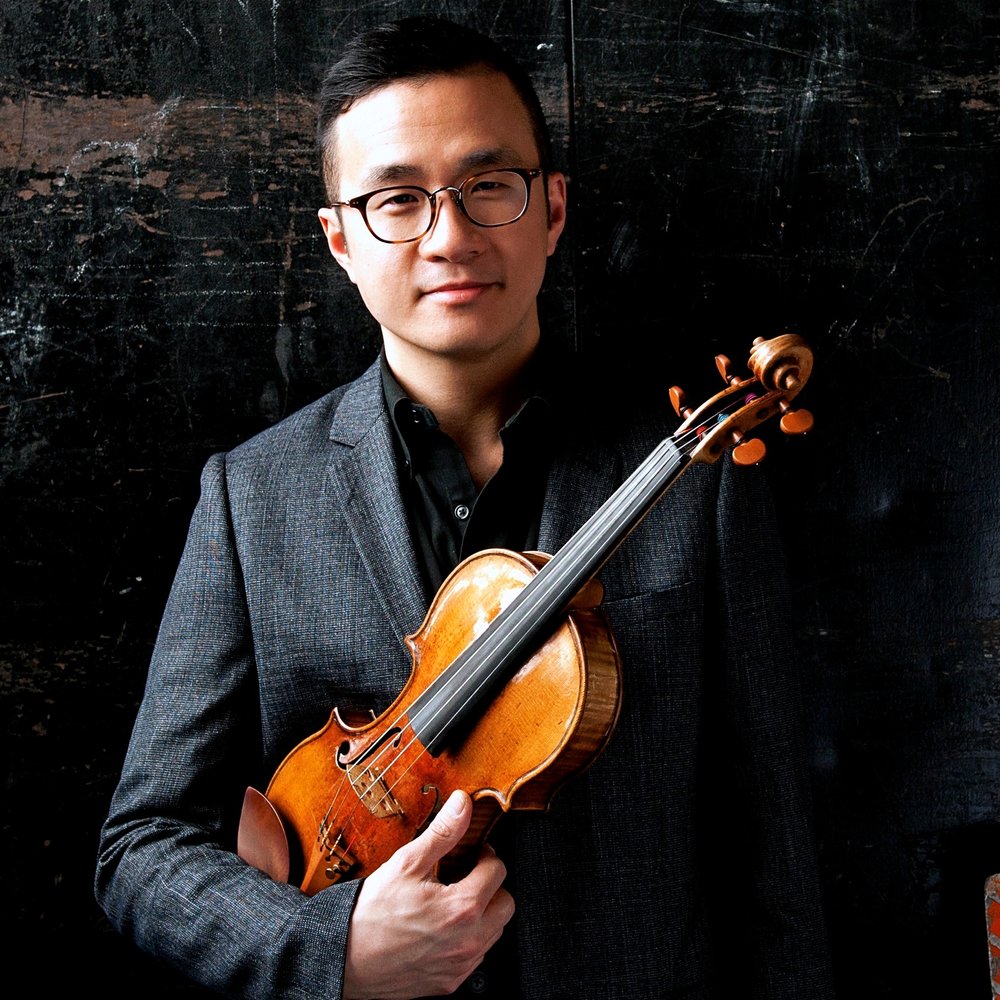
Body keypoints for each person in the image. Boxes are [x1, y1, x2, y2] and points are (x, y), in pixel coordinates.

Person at [95, 15, 835, 1000]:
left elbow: (772, 845)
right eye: (397, 199)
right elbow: (143, 846)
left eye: (489, 185)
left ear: (552, 209)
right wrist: (331, 950)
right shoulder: (252, 497)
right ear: (340, 238)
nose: (450, 237)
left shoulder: (698, 473)